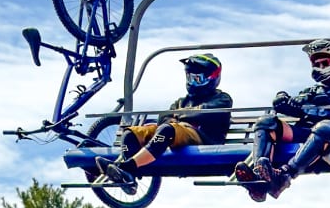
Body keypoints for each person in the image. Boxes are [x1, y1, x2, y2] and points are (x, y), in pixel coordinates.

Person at [233, 39, 330, 202]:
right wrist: (284, 102)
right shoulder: (310, 91)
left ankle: (285, 174)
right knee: (266, 122)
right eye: (317, 64)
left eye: (325, 63)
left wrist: (322, 99)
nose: (320, 67)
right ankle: (261, 175)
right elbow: (296, 109)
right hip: (306, 132)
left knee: (325, 127)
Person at [95, 53, 232, 186]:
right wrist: (174, 118)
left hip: (203, 140)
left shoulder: (222, 99)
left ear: (212, 78)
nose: (192, 83)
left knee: (168, 129)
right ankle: (127, 175)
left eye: (197, 79)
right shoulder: (182, 101)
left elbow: (201, 113)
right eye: (189, 78)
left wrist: (176, 117)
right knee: (131, 133)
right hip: (177, 134)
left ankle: (128, 167)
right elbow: (164, 117)